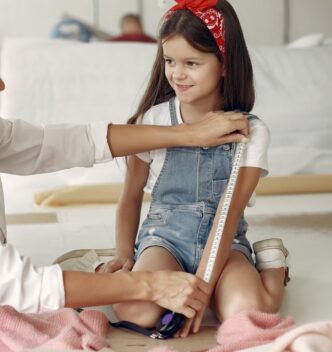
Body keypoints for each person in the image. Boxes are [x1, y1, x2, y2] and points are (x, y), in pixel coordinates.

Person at [0, 7, 252, 352]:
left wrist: (185, 135)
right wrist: (147, 284)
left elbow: (64, 143)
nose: (2, 85)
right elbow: (19, 283)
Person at [101, 0, 289, 339]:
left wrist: (200, 293)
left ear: (225, 65)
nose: (177, 74)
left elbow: (228, 216)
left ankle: (273, 269)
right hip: (164, 240)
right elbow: (129, 196)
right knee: (137, 311)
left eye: (192, 63)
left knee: (245, 313)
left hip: (225, 242)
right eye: (170, 61)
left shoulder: (252, 132)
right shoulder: (153, 122)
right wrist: (123, 254)